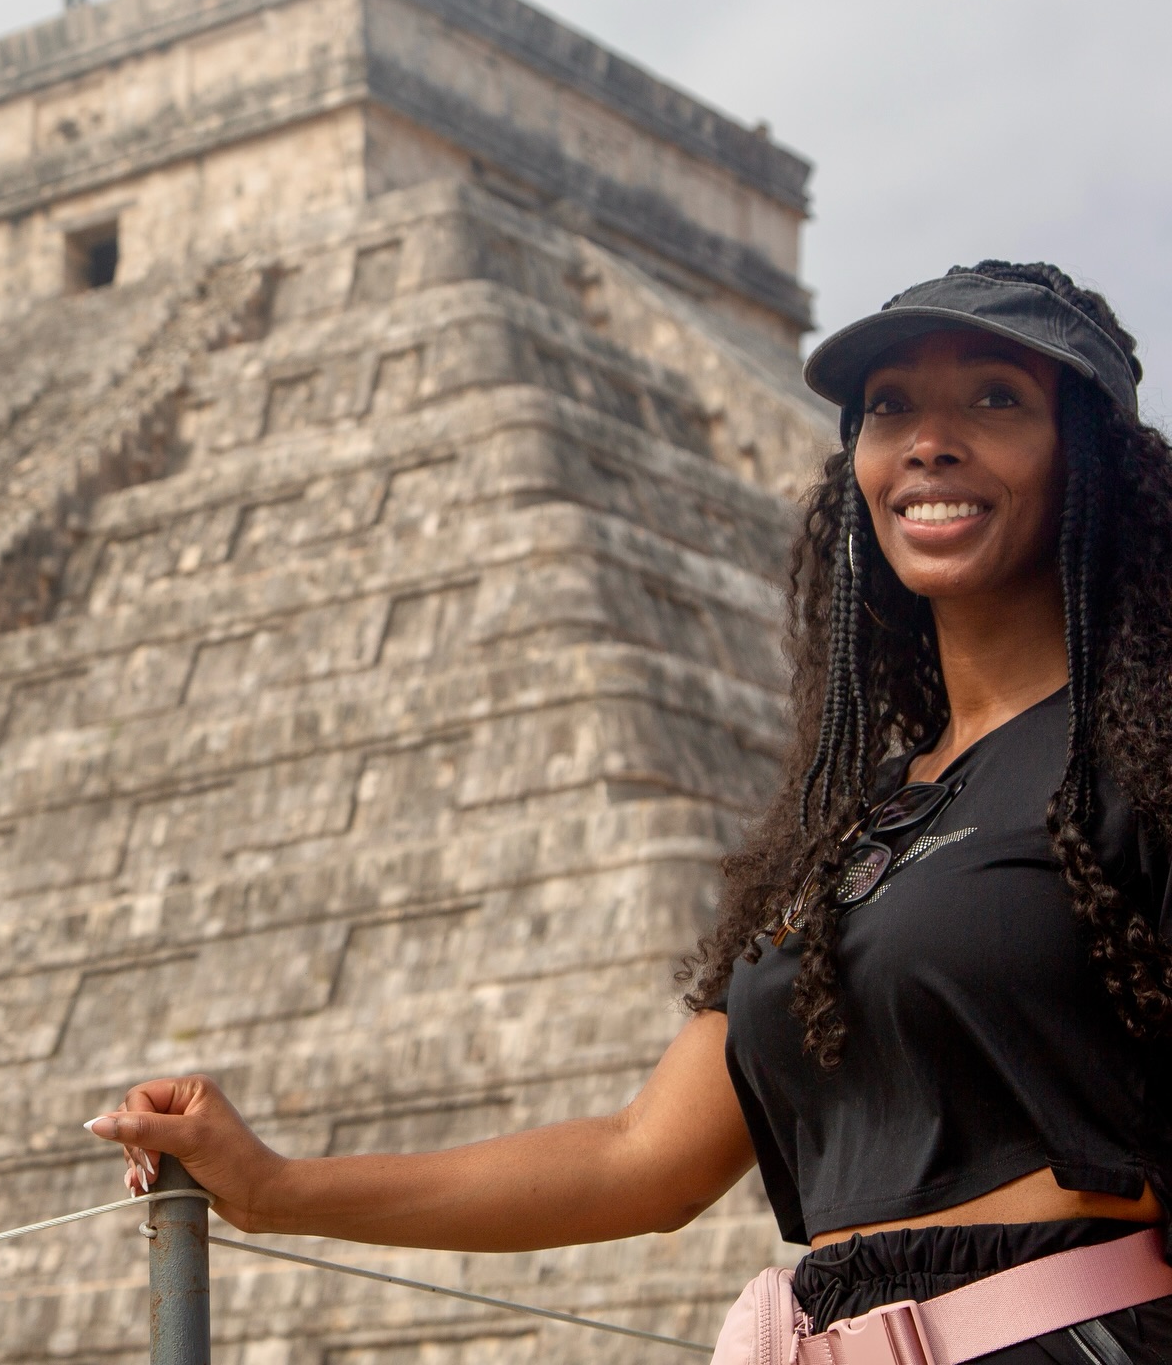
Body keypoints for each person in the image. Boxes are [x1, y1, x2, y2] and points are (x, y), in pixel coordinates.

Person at [85, 260, 1172, 1363]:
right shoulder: (859, 820)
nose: (930, 441)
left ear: (1091, 461)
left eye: (996, 397)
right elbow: (640, 1158)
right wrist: (272, 1188)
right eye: (891, 407)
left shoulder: (1150, 767)